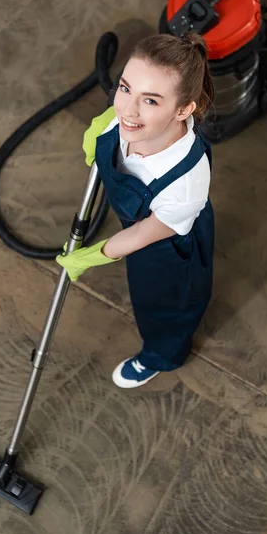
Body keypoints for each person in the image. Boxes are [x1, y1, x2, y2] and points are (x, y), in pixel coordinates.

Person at [56, 32, 215, 389]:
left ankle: (161, 355)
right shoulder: (128, 118)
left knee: (166, 303)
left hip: (167, 247)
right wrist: (98, 136)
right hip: (146, 220)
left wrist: (90, 256)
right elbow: (116, 117)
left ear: (183, 109)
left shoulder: (184, 184)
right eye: (125, 88)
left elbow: (142, 235)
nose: (128, 110)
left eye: (151, 101)